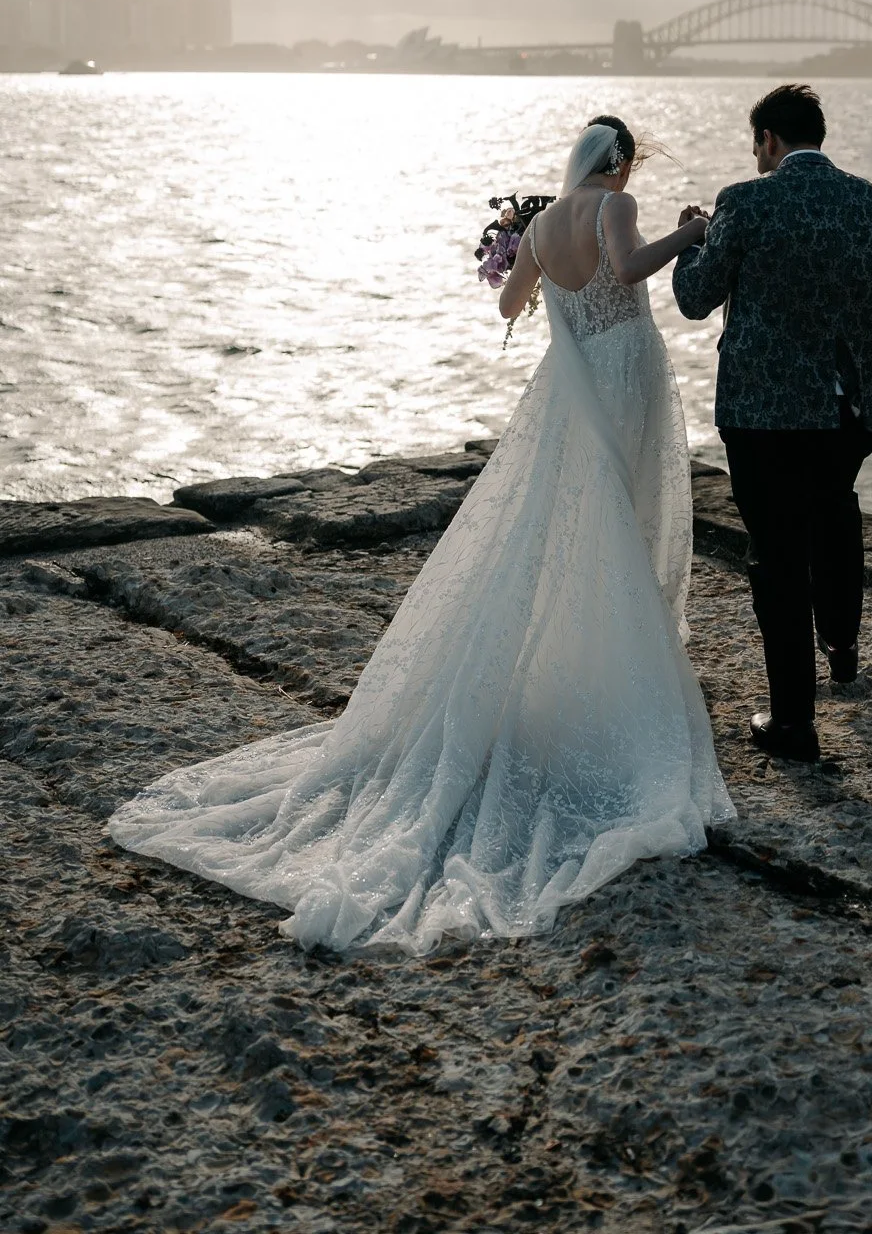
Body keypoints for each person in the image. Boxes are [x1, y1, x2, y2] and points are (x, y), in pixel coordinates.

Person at [108, 117, 734, 952]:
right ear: (617, 164)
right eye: (630, 168)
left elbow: (511, 302)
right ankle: (613, 673)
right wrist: (691, 232)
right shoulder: (616, 209)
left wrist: (523, 254)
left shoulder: (542, 227)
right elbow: (627, 268)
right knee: (620, 517)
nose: (627, 181)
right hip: (622, 372)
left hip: (566, 386)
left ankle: (564, 666)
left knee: (564, 524)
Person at [673, 84, 872, 763]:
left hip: (763, 412)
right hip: (853, 411)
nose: (753, 154)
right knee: (835, 510)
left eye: (754, 143)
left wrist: (691, 239)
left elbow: (696, 299)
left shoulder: (745, 202)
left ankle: (792, 722)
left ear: (770, 141)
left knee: (776, 553)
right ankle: (841, 649)